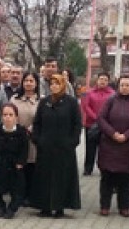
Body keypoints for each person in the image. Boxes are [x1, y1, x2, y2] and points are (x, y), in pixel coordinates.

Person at [31, 72, 82, 217]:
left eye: (57, 83)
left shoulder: (71, 102)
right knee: (44, 177)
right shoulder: (44, 102)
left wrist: (72, 142)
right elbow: (37, 122)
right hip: (45, 147)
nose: (54, 86)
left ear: (63, 85)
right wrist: (37, 139)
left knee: (62, 177)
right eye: (52, 83)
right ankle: (44, 207)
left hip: (64, 148)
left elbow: (77, 124)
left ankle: (60, 207)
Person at [96, 75, 129, 217]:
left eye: (127, 85)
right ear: (118, 86)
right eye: (122, 85)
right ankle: (104, 205)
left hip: (128, 145)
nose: (124, 88)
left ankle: (124, 206)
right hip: (109, 144)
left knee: (125, 178)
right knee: (106, 177)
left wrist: (126, 135)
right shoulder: (111, 100)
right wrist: (113, 134)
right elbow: (101, 118)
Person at [0, 102, 29, 218]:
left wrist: (21, 162)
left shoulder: (21, 132)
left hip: (15, 164)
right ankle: (0, 207)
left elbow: (25, 148)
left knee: (18, 189)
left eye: (11, 115)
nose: (8, 118)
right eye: (5, 115)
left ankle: (12, 209)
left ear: (16, 117)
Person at [11, 71, 40, 203]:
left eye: (31, 81)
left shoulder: (41, 100)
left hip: (33, 138)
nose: (28, 83)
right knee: (18, 166)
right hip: (17, 137)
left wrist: (31, 129)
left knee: (31, 166)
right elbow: (9, 114)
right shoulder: (14, 99)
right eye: (26, 81)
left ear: (36, 83)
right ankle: (18, 194)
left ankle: (30, 195)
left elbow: (42, 119)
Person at [81, 72, 114, 176]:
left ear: (108, 81)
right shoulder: (88, 93)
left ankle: (103, 167)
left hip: (106, 125)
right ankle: (88, 168)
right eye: (101, 79)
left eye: (105, 79)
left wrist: (103, 120)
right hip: (91, 124)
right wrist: (96, 118)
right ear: (97, 80)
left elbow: (113, 108)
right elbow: (86, 106)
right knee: (90, 148)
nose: (102, 81)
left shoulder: (113, 94)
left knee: (104, 148)